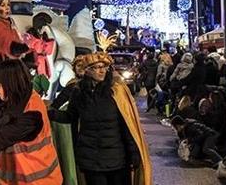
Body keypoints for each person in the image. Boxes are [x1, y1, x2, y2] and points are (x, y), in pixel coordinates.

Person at [49, 52, 152, 185]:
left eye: (104, 67)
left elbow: (127, 124)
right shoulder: (78, 92)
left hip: (117, 159)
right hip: (90, 160)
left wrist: (134, 153)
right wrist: (49, 113)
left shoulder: (116, 91)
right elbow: (70, 116)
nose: (102, 70)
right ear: (87, 71)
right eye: (97, 67)